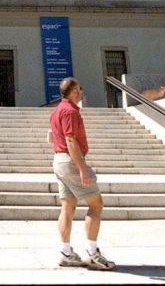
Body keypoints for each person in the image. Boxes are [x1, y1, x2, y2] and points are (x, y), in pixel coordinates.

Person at [48, 77, 115, 270]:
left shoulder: (56, 111)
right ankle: (93, 253)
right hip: (70, 160)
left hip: (59, 160)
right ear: (74, 92)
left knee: (67, 207)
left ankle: (66, 252)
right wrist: (82, 169)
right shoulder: (70, 111)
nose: (81, 92)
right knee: (96, 204)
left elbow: (53, 136)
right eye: (79, 89)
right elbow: (70, 140)